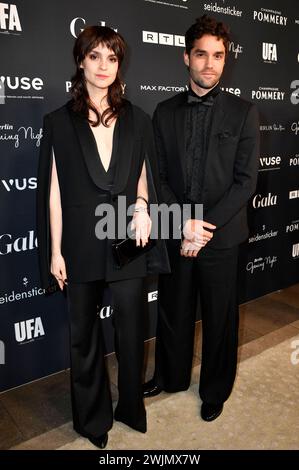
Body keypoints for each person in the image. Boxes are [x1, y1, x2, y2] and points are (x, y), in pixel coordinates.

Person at [37, 25, 169, 448]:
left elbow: (145, 173)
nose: (103, 66)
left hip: (126, 239)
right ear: (80, 62)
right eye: (94, 56)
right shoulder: (58, 121)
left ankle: (130, 406)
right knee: (84, 336)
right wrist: (55, 250)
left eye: (111, 58)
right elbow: (53, 192)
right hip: (77, 241)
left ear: (119, 65)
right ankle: (92, 419)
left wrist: (144, 207)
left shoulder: (137, 117)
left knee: (131, 330)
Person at [143, 15, 260, 422]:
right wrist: (183, 224)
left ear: (225, 60)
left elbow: (245, 183)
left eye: (218, 55)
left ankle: (215, 389)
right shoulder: (163, 112)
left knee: (220, 316)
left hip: (222, 236)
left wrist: (204, 228)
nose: (210, 63)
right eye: (201, 54)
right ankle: (170, 376)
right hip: (177, 231)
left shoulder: (244, 113)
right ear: (186, 58)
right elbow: (157, 176)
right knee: (173, 311)